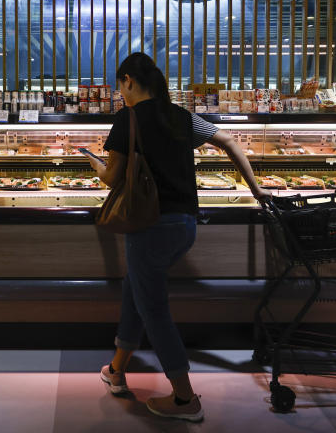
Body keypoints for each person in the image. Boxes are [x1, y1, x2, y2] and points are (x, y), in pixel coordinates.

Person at [87, 52, 270, 423]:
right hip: (184, 224)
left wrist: (94, 164)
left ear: (129, 82)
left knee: (153, 308)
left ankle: (185, 398)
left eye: (119, 85)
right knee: (135, 289)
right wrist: (256, 190)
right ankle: (116, 369)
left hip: (148, 225)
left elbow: (112, 178)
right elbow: (231, 142)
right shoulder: (183, 117)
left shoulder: (128, 118)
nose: (120, 92)